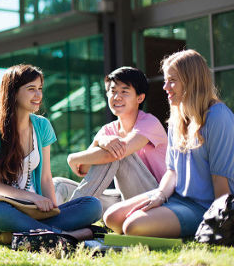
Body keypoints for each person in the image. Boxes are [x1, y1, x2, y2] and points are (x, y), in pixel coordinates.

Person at [104, 49, 234, 238]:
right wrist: (160, 195)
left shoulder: (218, 117)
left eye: (172, 80)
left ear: (192, 81)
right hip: (175, 197)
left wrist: (219, 222)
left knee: (133, 227)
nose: (165, 87)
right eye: (165, 80)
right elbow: (172, 171)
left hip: (205, 206)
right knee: (112, 218)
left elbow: (220, 180)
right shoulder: (176, 119)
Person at [0, 64, 102, 243]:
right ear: (13, 92)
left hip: (35, 213)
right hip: (5, 209)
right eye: (31, 89)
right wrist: (34, 197)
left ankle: (23, 234)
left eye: (40, 89)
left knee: (92, 205)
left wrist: (52, 209)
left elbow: (45, 177)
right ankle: (66, 236)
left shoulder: (42, 126)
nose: (38, 95)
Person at [53, 67, 167, 211]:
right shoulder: (108, 130)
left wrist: (72, 158)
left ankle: (71, 214)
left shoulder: (150, 123)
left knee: (117, 152)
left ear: (140, 97)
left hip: (156, 198)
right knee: (59, 185)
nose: (117, 97)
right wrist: (100, 141)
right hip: (124, 198)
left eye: (124, 91)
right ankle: (48, 224)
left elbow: (110, 154)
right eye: (113, 91)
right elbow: (84, 167)